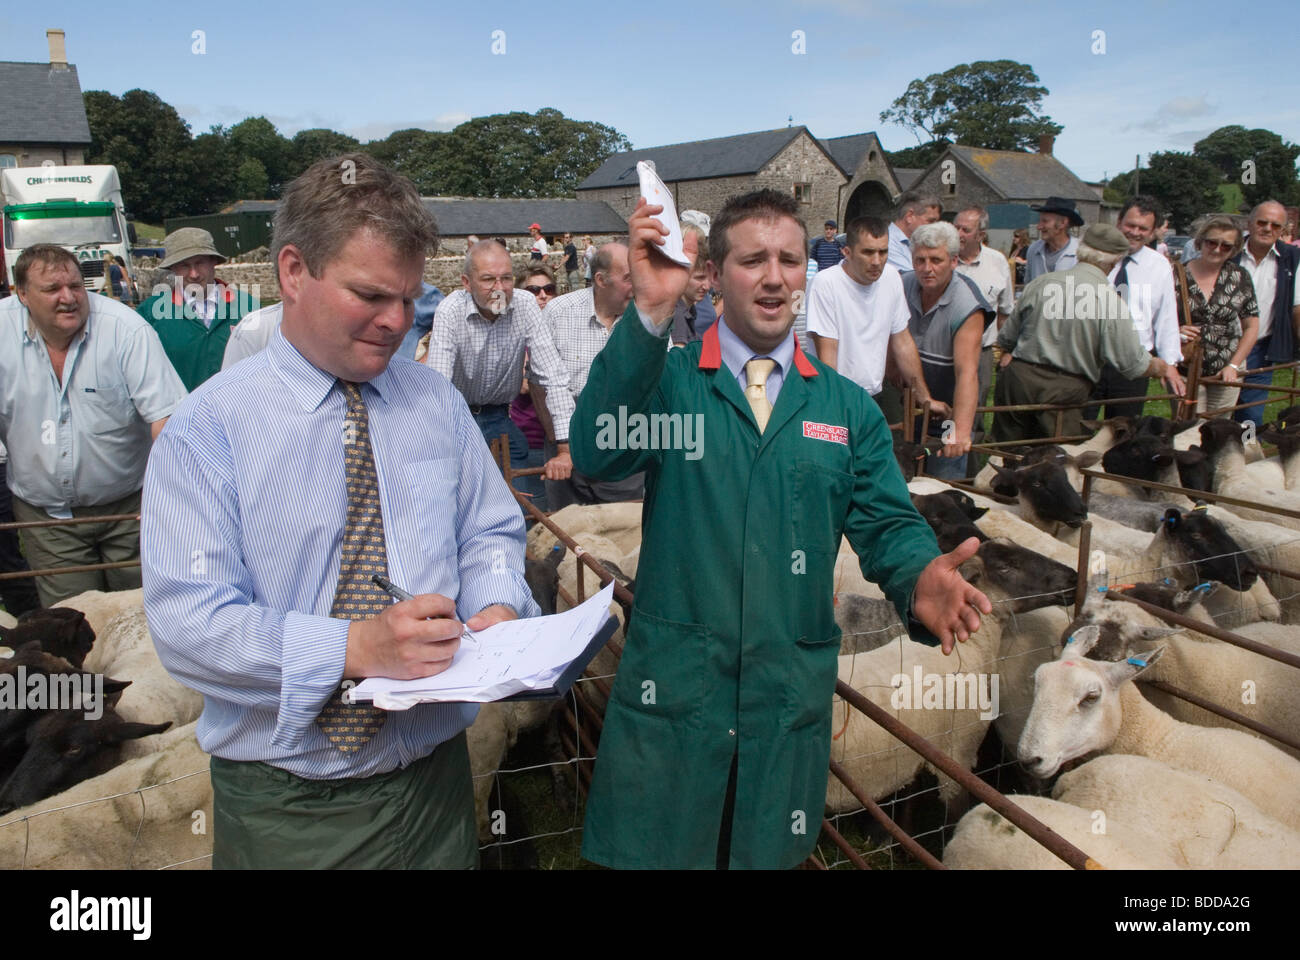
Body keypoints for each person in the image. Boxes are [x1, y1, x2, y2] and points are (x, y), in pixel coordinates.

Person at [570, 188, 992, 869]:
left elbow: (886, 521)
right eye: (752, 259)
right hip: (681, 692)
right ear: (712, 274)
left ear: (806, 272)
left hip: (782, 697)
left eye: (790, 260)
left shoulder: (845, 408)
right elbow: (595, 451)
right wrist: (649, 311)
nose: (774, 276)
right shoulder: (673, 384)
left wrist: (918, 578)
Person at [140, 153, 538, 869]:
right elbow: (188, 624)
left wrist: (498, 607)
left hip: (436, 785)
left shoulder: (434, 403)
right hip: (288, 807)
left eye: (411, 297)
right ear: (293, 272)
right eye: (370, 295)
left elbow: (488, 531)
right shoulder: (208, 430)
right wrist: (353, 650)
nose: (396, 321)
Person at [1, 244, 185, 606]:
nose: (68, 298)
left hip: (130, 512)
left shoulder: (127, 330)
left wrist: (167, 500)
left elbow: (170, 422)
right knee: (72, 627)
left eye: (76, 285)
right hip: (47, 522)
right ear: (21, 293)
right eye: (52, 289)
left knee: (143, 619)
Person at [992, 224, 1169, 444]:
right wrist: (1159, 366)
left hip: (1018, 381)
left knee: (1004, 452)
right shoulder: (1110, 302)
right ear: (1114, 262)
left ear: (1080, 251)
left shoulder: (1040, 285)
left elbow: (1007, 338)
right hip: (1064, 390)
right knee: (1056, 460)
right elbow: (1131, 363)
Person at [424, 240, 575, 494]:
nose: (499, 289)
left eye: (506, 278)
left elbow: (553, 375)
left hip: (500, 419)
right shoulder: (450, 310)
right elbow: (437, 385)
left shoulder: (524, 304)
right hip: (458, 420)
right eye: (488, 280)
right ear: (466, 283)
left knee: (519, 509)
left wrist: (565, 449)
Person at [534, 243, 642, 510]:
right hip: (567, 447)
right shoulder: (559, 313)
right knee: (570, 539)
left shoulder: (646, 318)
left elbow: (666, 378)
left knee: (626, 537)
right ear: (601, 280)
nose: (637, 286)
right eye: (629, 278)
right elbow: (539, 384)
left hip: (624, 449)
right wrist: (561, 445)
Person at [805, 217, 944, 423]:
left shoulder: (891, 278)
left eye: (883, 252)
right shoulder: (825, 284)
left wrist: (923, 397)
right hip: (838, 398)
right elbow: (827, 357)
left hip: (874, 394)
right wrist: (835, 412)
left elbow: (902, 341)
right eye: (868, 252)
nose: (877, 261)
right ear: (847, 252)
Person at [1084, 196, 1185, 420]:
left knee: (1125, 431)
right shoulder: (1093, 257)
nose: (1135, 232)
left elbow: (1166, 316)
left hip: (1134, 363)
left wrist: (1169, 363)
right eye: (1131, 225)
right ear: (1119, 222)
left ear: (1152, 232)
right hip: (1091, 359)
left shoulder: (1159, 265)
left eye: (1143, 228)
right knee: (1078, 428)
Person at [903, 222, 990, 480]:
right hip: (908, 402)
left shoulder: (967, 304)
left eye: (936, 260)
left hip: (948, 403)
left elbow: (967, 373)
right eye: (920, 260)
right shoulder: (901, 284)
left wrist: (960, 430)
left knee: (942, 487)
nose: (927, 268)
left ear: (953, 261)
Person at [137, 227, 260, 391]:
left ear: (213, 262)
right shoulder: (150, 314)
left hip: (241, 413)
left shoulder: (248, 306)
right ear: (173, 268)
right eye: (184, 265)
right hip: (182, 414)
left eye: (200, 263)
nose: (194, 274)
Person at [1174, 216, 1259, 418]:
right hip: (1186, 368)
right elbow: (1155, 320)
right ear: (1200, 241)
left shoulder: (1240, 277)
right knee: (1187, 429)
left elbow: (1251, 326)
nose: (1217, 249)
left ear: (1234, 249)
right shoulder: (1175, 274)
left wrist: (1234, 365)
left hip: (1226, 368)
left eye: (1226, 246)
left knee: (1219, 430)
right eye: (1212, 242)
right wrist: (1175, 331)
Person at [1233, 200, 1300, 430]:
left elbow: (1297, 307)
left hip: (1261, 349)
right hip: (1221, 347)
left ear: (1283, 230)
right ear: (1249, 224)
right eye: (1262, 222)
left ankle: (1247, 463)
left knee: (1251, 417)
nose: (1267, 229)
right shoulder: (1228, 251)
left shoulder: (1293, 258)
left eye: (1275, 225)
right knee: (1214, 415)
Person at [953, 206, 1014, 413]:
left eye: (965, 230)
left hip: (982, 351)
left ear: (981, 235)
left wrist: (1004, 350)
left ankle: (973, 444)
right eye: (956, 228)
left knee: (976, 406)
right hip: (945, 350)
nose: (958, 234)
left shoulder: (997, 262)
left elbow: (1005, 312)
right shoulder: (943, 259)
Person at [670, 226, 717, 346]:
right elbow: (680, 361)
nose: (707, 286)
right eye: (699, 278)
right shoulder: (677, 315)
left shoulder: (689, 310)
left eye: (709, 277)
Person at [1024, 197, 1084, 282]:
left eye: (1045, 221)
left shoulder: (1080, 253)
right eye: (1039, 221)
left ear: (1062, 223)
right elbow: (1028, 287)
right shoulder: (1034, 250)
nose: (1039, 227)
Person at [887, 192, 942, 273]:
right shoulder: (887, 242)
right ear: (909, 216)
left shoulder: (915, 242)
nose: (935, 227)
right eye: (931, 221)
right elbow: (915, 280)